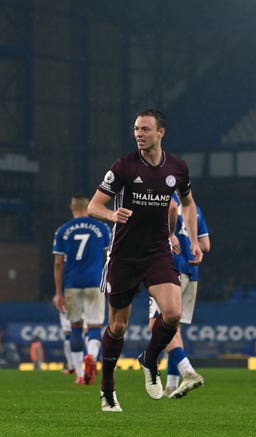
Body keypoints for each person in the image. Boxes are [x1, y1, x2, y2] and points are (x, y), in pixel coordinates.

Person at [87, 108, 203, 412]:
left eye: (145, 129)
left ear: (160, 132)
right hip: (124, 255)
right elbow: (93, 206)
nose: (139, 134)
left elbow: (187, 204)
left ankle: (149, 360)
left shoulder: (177, 168)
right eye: (136, 129)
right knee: (118, 327)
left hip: (157, 253)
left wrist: (190, 238)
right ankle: (107, 390)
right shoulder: (124, 166)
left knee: (173, 313)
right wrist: (112, 213)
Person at [148, 193, 210, 398]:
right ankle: (172, 385)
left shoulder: (164, 198)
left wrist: (171, 235)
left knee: (156, 324)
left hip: (169, 270)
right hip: (191, 271)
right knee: (174, 328)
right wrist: (187, 246)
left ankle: (188, 371)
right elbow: (206, 245)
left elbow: (171, 207)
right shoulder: (195, 208)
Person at [53, 195, 111, 385]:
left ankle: (79, 374)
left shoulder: (62, 231)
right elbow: (109, 258)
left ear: (71, 206)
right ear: (89, 207)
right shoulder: (102, 228)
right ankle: (92, 358)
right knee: (94, 326)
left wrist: (59, 293)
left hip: (72, 283)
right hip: (95, 282)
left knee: (76, 327)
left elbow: (58, 264)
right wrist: (109, 281)